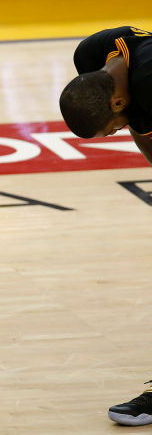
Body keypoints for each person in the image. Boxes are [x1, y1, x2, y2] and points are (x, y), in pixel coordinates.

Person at [59, 25, 152, 426]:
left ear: (116, 100)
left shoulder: (148, 87)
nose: (115, 132)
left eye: (109, 128)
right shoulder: (91, 55)